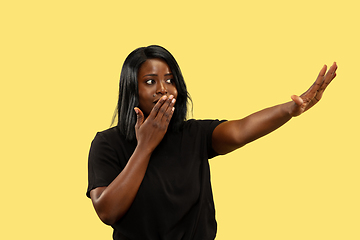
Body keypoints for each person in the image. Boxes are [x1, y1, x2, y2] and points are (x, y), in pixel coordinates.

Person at [86, 45, 337, 240]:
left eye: (171, 80)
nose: (163, 89)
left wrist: (290, 110)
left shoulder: (194, 134)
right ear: (132, 89)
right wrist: (145, 146)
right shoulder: (107, 143)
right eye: (150, 81)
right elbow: (107, 211)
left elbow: (240, 130)